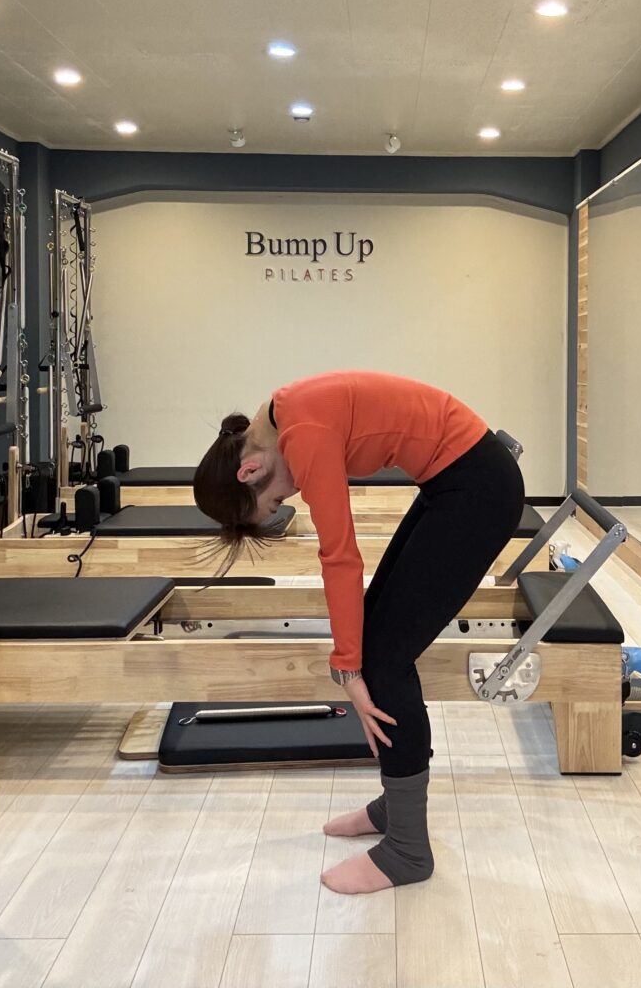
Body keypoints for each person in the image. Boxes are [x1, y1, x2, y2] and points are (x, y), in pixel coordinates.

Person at [193, 371, 524, 894]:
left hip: (477, 486)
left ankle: (408, 851)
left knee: (384, 660)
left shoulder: (300, 433)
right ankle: (396, 808)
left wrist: (347, 669)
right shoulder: (283, 414)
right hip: (455, 480)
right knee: (376, 644)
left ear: (250, 469)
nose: (287, 499)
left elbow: (341, 557)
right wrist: (350, 657)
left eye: (274, 502)